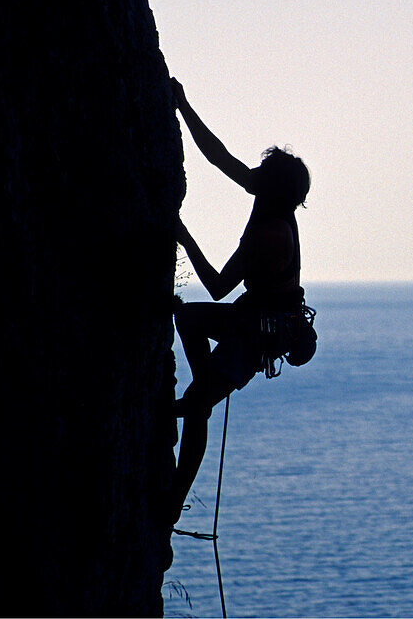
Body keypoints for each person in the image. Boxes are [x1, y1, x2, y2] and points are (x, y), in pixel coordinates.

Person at [168, 77, 312, 524]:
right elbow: (220, 158)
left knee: (195, 408)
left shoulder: (270, 235)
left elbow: (215, 284)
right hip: (250, 320)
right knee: (189, 323)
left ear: (270, 187)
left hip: (253, 339)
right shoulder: (273, 204)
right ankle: (200, 389)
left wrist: (182, 234)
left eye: (259, 176)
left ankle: (171, 504)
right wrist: (184, 108)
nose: (251, 178)